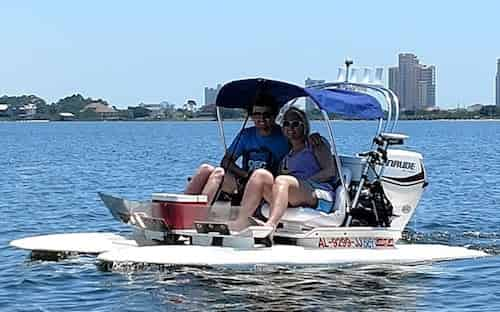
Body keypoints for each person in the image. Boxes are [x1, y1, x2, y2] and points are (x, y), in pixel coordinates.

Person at [231, 107, 337, 231]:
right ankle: (242, 221)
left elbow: (330, 171)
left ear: (304, 126)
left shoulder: (315, 144)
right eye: (286, 124)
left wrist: (302, 183)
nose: (290, 127)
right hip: (293, 194)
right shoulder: (287, 155)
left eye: (295, 124)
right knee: (260, 175)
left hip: (318, 193)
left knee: (282, 181)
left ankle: (271, 225)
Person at [184, 94, 290, 204]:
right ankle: (183, 208)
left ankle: (199, 214)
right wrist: (245, 175)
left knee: (219, 173)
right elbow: (226, 161)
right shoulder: (246, 134)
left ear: (275, 115)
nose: (261, 118)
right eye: (257, 114)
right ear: (251, 116)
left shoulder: (285, 135)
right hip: (244, 181)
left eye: (266, 114)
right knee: (206, 169)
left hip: (267, 186)